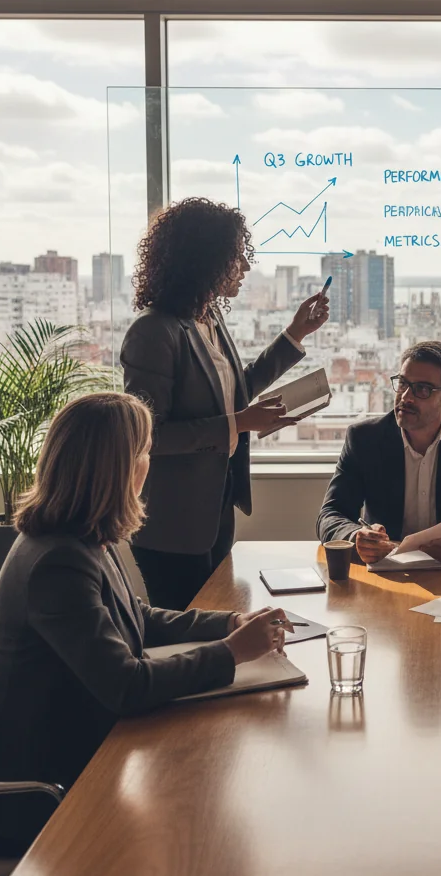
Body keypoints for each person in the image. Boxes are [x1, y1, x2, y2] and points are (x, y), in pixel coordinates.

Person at [0, 393, 292, 853]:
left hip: (87, 750)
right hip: (48, 792)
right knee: (205, 828)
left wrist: (229, 622)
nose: (150, 464)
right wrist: (233, 652)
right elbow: (125, 687)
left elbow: (138, 618)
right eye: (145, 451)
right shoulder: (58, 562)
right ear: (119, 468)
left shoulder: (78, 538)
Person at [121, 197, 330, 609]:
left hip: (215, 512)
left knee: (218, 622)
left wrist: (294, 336)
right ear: (206, 259)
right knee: (188, 633)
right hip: (172, 525)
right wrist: (237, 423)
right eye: (237, 257)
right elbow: (149, 436)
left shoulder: (208, 318)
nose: (246, 268)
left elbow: (236, 390)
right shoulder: (154, 332)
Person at [317, 341, 441, 563]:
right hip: (385, 570)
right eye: (402, 383)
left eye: (422, 389)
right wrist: (356, 537)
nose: (405, 397)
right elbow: (330, 515)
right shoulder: (364, 439)